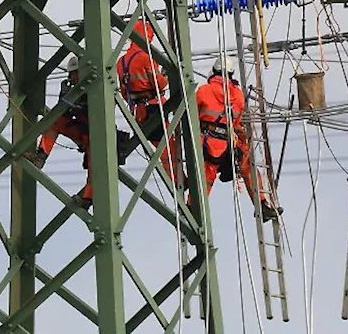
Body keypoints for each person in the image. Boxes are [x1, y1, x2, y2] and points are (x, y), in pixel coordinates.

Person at [23, 57, 131, 209]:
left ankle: (87, 199)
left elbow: (103, 110)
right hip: (82, 132)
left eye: (76, 73)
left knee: (96, 168)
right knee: (55, 120)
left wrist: (79, 101)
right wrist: (66, 98)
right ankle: (41, 155)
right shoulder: (73, 89)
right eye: (72, 74)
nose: (73, 77)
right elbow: (64, 113)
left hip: (99, 134)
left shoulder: (99, 87)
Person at [195, 55, 281, 221]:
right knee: (249, 169)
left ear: (213, 72)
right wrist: (243, 145)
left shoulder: (204, 91)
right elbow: (237, 124)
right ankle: (262, 205)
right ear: (231, 73)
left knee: (205, 177)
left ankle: (193, 210)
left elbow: (192, 116)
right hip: (229, 144)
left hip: (209, 142)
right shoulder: (237, 95)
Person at [116, 20, 176, 177]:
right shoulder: (146, 57)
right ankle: (176, 179)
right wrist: (166, 77)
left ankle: (176, 178)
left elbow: (123, 92)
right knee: (167, 147)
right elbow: (159, 84)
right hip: (154, 108)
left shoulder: (120, 62)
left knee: (159, 146)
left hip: (137, 111)